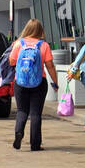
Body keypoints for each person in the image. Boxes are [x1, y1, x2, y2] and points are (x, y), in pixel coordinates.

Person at [7, 19, 58, 151]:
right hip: (39, 82)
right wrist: (55, 82)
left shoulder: (19, 44)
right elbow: (50, 66)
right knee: (35, 114)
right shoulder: (44, 45)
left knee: (22, 111)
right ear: (40, 30)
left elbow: (11, 62)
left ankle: (19, 132)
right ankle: (35, 144)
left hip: (21, 82)